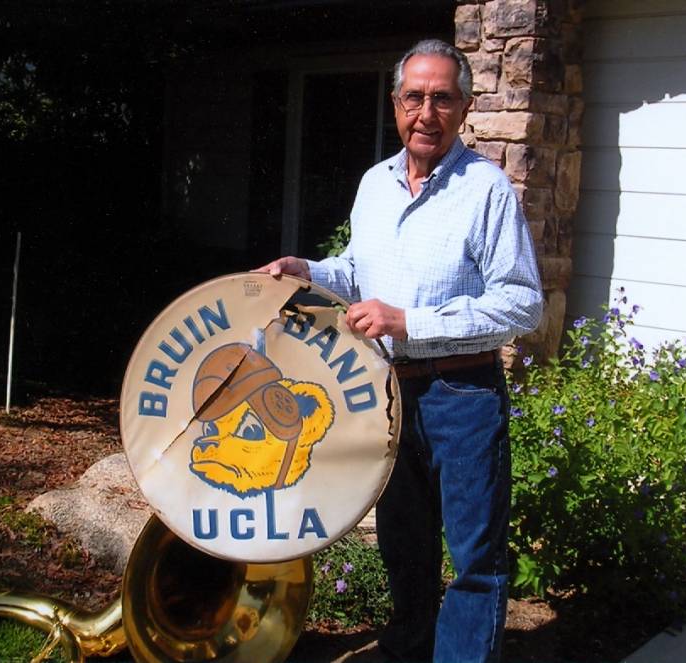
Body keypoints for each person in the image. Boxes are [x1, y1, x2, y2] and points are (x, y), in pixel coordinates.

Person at [257, 38, 543, 663]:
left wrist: (409, 322)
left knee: (474, 559)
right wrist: (305, 270)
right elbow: (360, 272)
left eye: (442, 98)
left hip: (462, 396)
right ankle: (411, 646)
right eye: (414, 97)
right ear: (395, 104)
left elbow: (521, 303)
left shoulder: (486, 190)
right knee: (404, 544)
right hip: (385, 394)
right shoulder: (374, 185)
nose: (426, 112)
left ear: (464, 108)